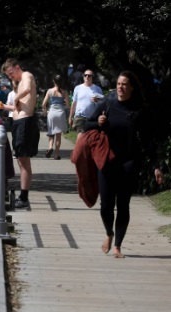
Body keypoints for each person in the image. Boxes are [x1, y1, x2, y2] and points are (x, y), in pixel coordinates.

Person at [85, 71, 163, 258]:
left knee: (123, 205)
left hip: (129, 162)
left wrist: (156, 166)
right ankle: (109, 233)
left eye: (125, 84)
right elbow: (87, 125)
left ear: (131, 88)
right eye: (119, 84)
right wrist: (98, 122)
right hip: (107, 160)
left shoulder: (138, 111)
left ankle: (118, 246)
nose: (120, 87)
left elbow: (147, 140)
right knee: (105, 205)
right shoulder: (108, 104)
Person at [2, 58, 39, 208]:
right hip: (18, 123)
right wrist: (4, 106)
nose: (11, 77)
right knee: (20, 160)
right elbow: (17, 108)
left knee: (24, 161)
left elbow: (28, 90)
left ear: (17, 67)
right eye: (8, 75)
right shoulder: (17, 84)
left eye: (11, 73)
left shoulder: (27, 76)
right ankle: (22, 196)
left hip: (25, 123)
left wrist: (16, 96)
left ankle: (24, 197)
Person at [69, 68, 103, 137]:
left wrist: (97, 101)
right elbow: (74, 103)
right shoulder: (78, 88)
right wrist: (70, 117)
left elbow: (102, 104)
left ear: (92, 77)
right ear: (83, 76)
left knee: (90, 138)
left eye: (89, 75)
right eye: (85, 75)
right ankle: (78, 148)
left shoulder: (97, 89)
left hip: (92, 118)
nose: (87, 77)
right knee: (80, 136)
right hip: (80, 116)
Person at [41, 75, 69, 160]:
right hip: (60, 113)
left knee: (51, 132)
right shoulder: (64, 92)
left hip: (52, 113)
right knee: (58, 135)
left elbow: (43, 104)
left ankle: (50, 147)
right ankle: (56, 155)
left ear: (53, 81)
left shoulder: (50, 91)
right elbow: (68, 105)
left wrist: (45, 111)